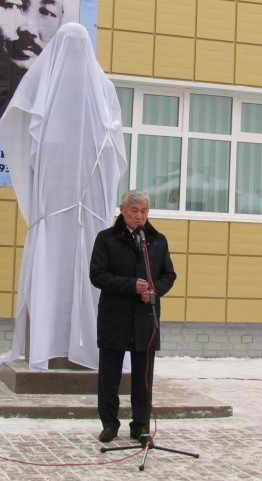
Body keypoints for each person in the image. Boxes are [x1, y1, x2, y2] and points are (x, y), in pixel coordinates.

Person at [0, 22, 127, 371]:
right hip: (57, 207)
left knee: (81, 268)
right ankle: (50, 347)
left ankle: (80, 347)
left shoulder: (88, 88)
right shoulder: (56, 85)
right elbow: (115, 150)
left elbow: (21, 129)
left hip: (79, 206)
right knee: (59, 267)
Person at [89, 190, 177, 443]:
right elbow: (97, 275)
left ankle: (141, 425)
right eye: (134, 211)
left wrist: (154, 290)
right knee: (110, 377)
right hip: (114, 318)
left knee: (143, 378)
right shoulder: (106, 238)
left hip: (145, 318)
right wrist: (130, 285)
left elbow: (169, 275)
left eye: (144, 211)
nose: (140, 216)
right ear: (122, 210)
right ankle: (109, 424)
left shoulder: (157, 240)